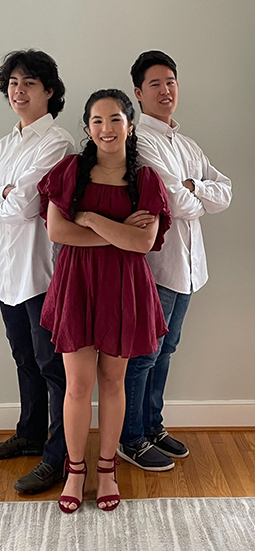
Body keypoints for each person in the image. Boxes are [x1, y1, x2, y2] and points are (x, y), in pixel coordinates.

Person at [38, 89, 172, 512]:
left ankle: (108, 469)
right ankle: (76, 472)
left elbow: (144, 242)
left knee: (114, 383)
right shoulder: (70, 171)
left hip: (124, 287)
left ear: (130, 125)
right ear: (87, 128)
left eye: (115, 119)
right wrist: (119, 234)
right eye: (97, 121)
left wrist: (91, 217)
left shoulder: (145, 179)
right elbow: (58, 232)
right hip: (77, 284)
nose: (106, 128)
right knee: (77, 385)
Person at [0, 49, 75, 494]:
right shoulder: (4, 144)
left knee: (53, 368)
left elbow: (27, 205)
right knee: (24, 360)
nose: (19, 90)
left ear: (49, 90)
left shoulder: (57, 143)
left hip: (44, 275)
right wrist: (1, 195)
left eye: (29, 82)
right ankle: (29, 433)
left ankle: (58, 454)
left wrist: (3, 194)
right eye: (12, 82)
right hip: (9, 275)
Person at [117, 51, 232, 471]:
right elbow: (174, 201)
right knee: (144, 353)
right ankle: (130, 438)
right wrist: (195, 191)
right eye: (155, 84)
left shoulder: (186, 143)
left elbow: (225, 191)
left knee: (167, 351)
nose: (165, 91)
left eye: (171, 82)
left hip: (188, 268)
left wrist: (193, 186)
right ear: (138, 92)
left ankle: (152, 426)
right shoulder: (141, 140)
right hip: (156, 268)